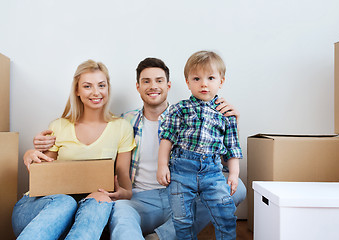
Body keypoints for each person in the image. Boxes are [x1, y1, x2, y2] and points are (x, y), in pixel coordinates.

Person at [33, 57, 246, 240]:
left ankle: (161, 236)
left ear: (169, 85)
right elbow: (85, 144)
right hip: (139, 199)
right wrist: (34, 149)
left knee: (238, 189)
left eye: (159, 81)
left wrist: (229, 123)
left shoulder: (191, 118)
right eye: (146, 81)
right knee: (122, 220)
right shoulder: (124, 122)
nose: (153, 86)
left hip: (182, 195)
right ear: (138, 87)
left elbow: (222, 166)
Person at [12, 60, 136, 240]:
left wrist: (123, 193)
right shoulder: (59, 126)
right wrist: (29, 154)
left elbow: (124, 181)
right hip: (38, 212)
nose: (96, 92)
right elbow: (42, 176)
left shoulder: (122, 128)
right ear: (77, 91)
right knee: (65, 201)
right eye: (87, 86)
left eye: (101, 85)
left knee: (101, 199)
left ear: (108, 88)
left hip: (83, 216)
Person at [157, 50, 241, 240]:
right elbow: (167, 138)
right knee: (182, 219)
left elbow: (232, 146)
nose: (204, 83)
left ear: (221, 81)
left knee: (225, 215)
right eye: (197, 78)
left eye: (210, 78)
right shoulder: (180, 109)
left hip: (212, 172)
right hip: (181, 170)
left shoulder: (225, 113)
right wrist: (162, 165)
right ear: (187, 82)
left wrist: (234, 174)